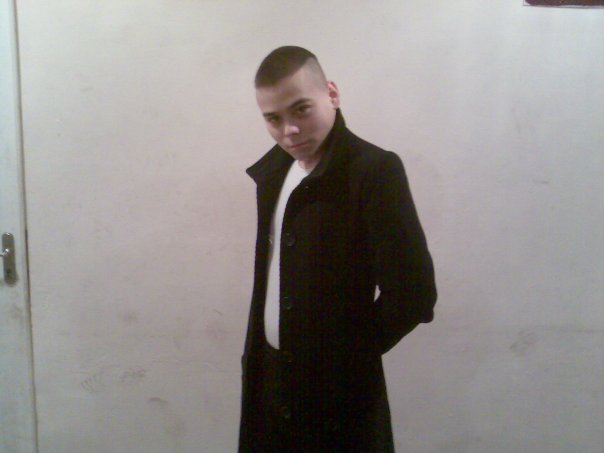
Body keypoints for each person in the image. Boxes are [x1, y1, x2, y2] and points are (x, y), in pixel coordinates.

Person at [239, 46, 437, 452]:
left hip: (338, 396)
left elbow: (414, 293)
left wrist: (345, 360)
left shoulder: (373, 170)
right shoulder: (275, 172)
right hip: (270, 385)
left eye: (301, 110)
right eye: (273, 119)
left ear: (331, 93)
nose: (289, 131)